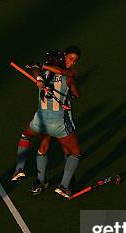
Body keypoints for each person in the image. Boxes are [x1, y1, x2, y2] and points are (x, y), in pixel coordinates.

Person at [12, 46, 82, 198]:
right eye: (70, 58)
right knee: (74, 152)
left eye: (74, 60)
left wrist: (38, 76)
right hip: (58, 123)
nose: (72, 62)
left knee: (29, 138)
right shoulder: (68, 76)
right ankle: (64, 185)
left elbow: (38, 71)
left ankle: (21, 170)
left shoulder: (43, 72)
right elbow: (76, 94)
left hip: (40, 121)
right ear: (62, 58)